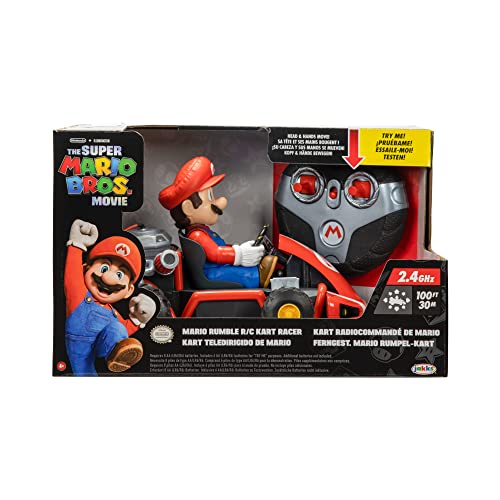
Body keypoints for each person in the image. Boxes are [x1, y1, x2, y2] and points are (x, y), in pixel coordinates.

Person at [159, 156, 277, 288]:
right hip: (212, 274)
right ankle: (258, 276)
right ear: (188, 208)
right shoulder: (197, 235)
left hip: (215, 269)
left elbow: (219, 250)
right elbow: (216, 253)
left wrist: (239, 248)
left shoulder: (201, 231)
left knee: (242, 268)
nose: (220, 203)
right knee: (241, 273)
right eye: (210, 197)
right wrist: (240, 254)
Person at [64, 219, 156, 375]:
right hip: (79, 345)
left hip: (104, 344)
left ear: (129, 291)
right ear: (85, 269)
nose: (110, 278)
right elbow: (71, 276)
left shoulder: (113, 313)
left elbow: (124, 329)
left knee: (118, 328)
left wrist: (138, 317)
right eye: (104, 267)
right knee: (85, 373)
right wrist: (76, 245)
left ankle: (118, 355)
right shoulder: (79, 296)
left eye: (120, 274)